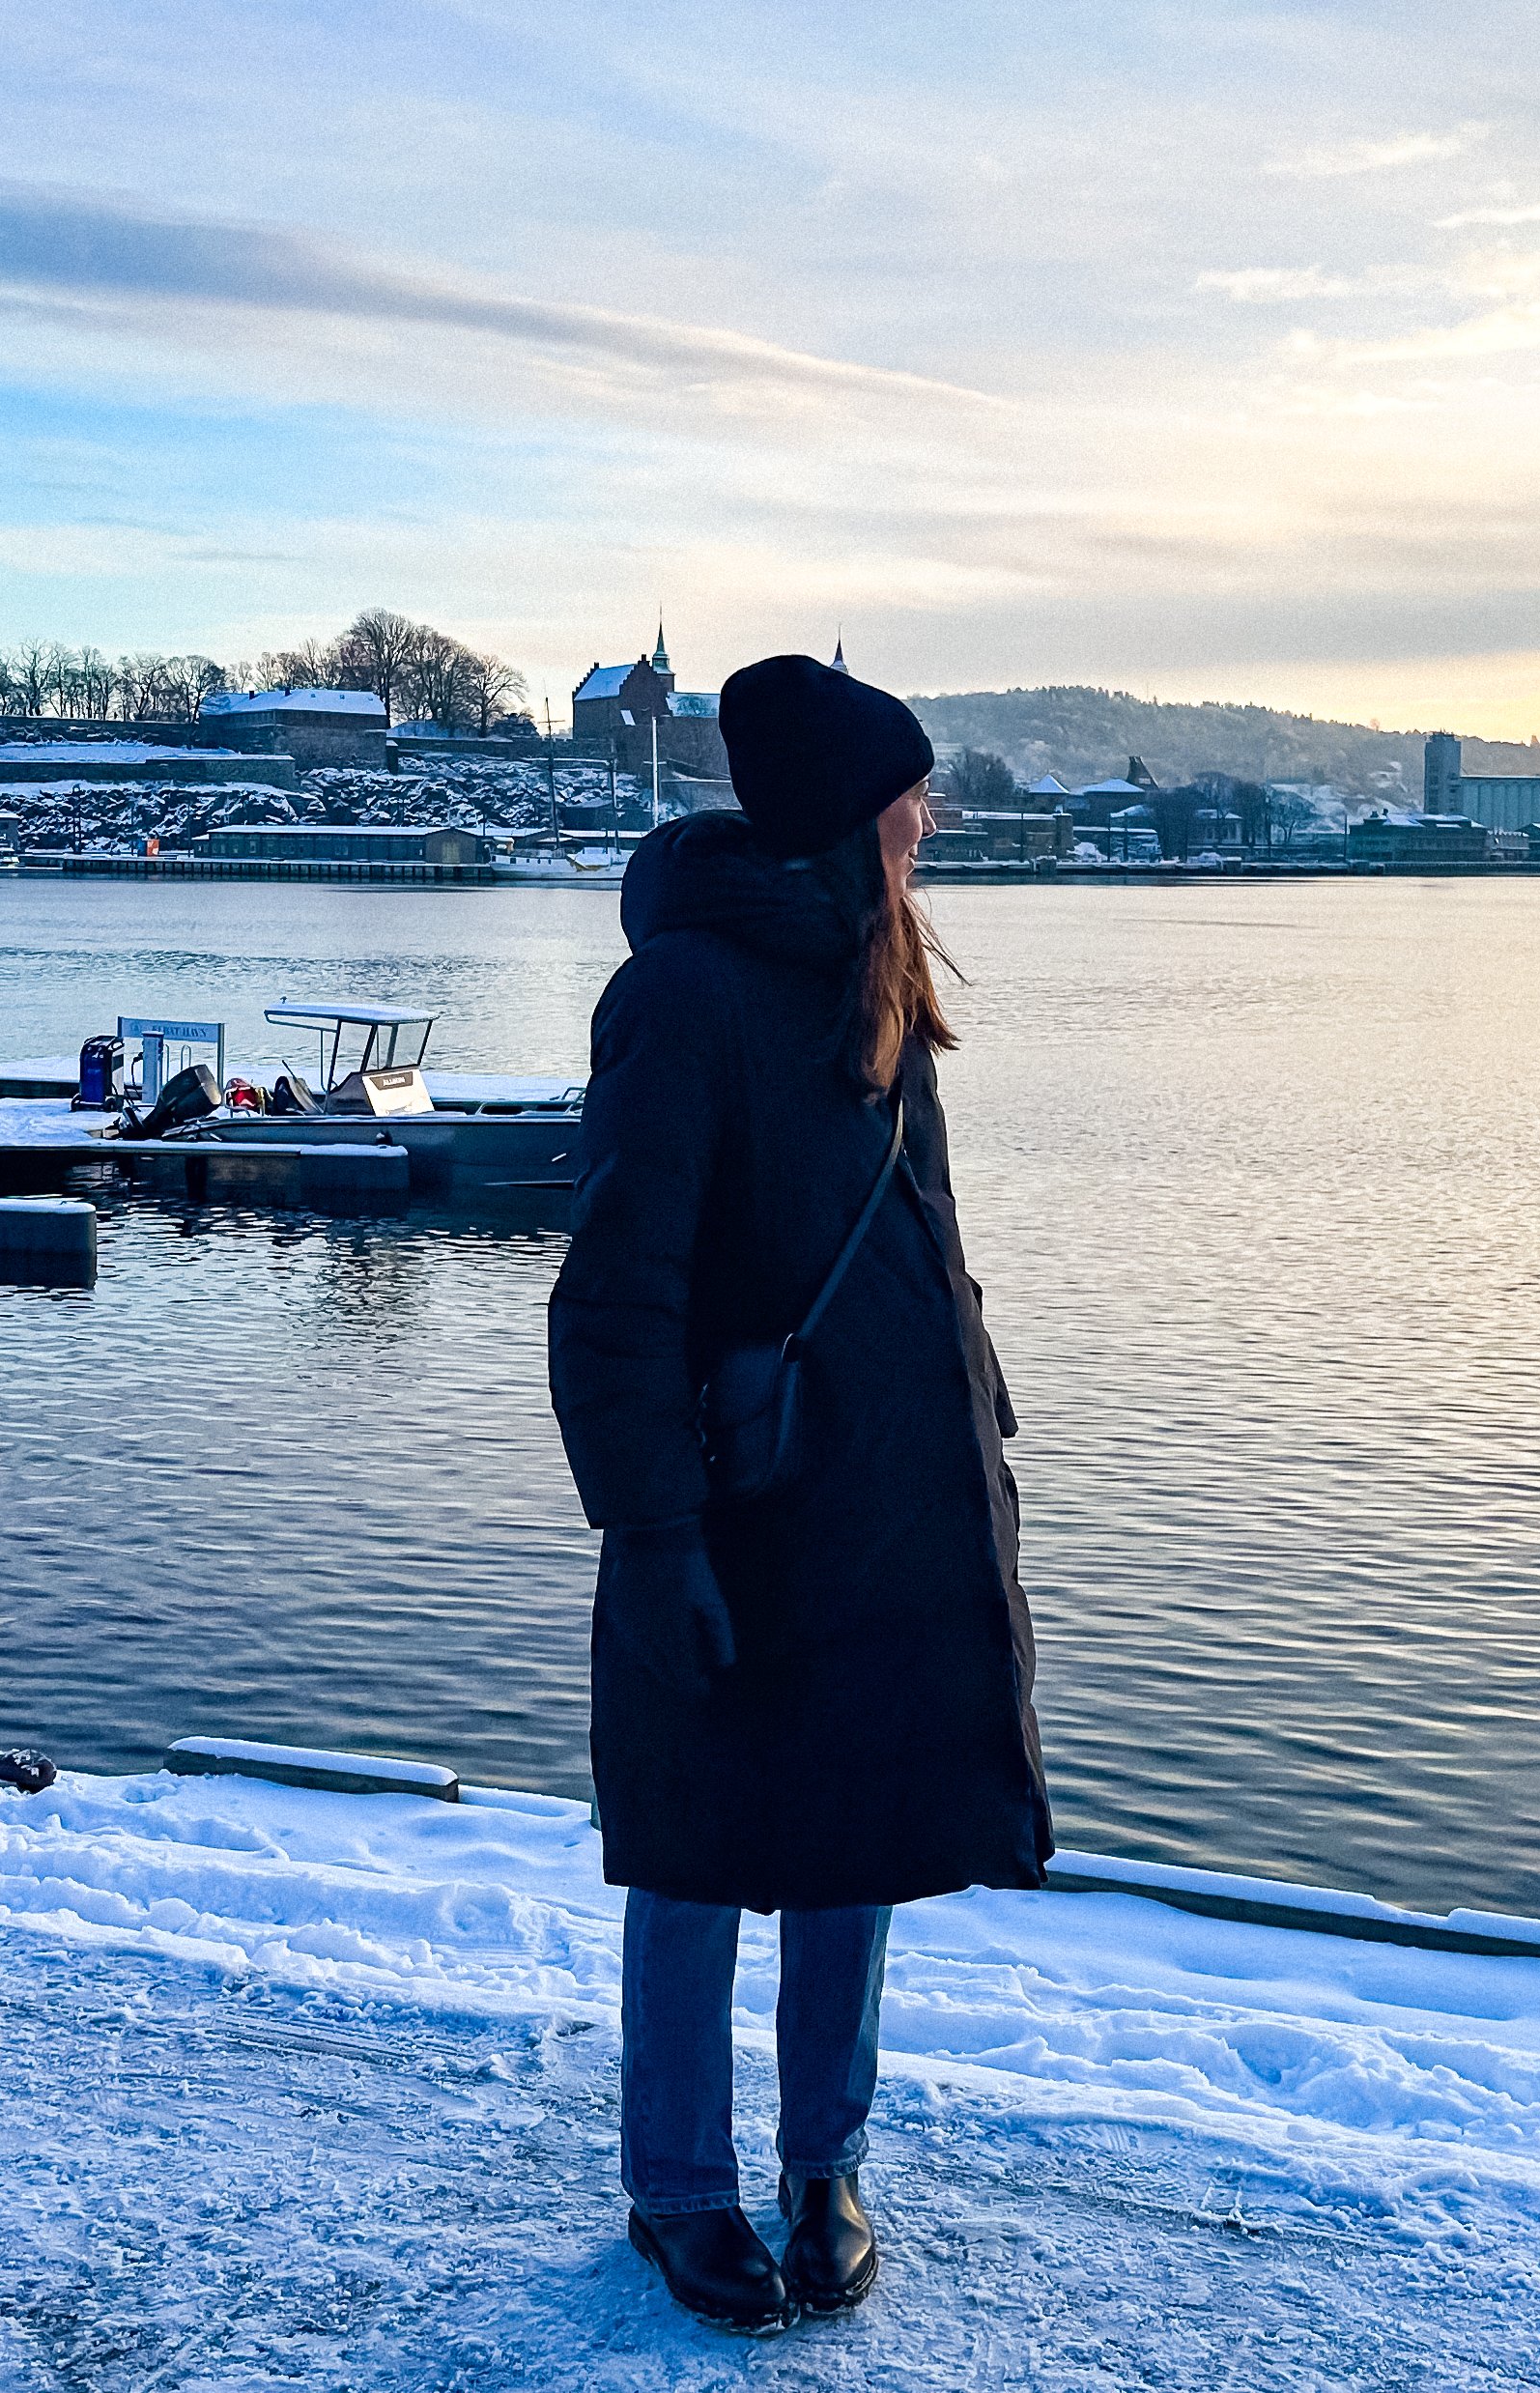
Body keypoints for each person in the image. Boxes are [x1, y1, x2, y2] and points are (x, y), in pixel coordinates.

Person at [549, 653, 1053, 2333]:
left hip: (882, 1499)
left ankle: (823, 2163)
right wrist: (654, 1527)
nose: (929, 817)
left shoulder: (879, 966)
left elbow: (924, 1242)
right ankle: (678, 2188)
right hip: (723, 1493)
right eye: (907, 792)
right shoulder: (684, 996)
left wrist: (974, 1435)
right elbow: (615, 1292)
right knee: (695, 1852)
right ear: (849, 808)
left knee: (856, 1832)